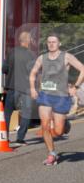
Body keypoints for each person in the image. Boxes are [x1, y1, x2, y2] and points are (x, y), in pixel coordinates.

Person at [28, 34, 84, 165]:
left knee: (58, 132)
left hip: (61, 96)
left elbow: (82, 69)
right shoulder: (42, 58)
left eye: (54, 42)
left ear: (59, 43)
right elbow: (33, 73)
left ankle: (65, 124)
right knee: (45, 125)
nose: (51, 44)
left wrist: (75, 87)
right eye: (49, 42)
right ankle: (52, 154)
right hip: (45, 95)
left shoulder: (67, 57)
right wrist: (32, 89)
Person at [4, 30, 37, 146]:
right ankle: (20, 138)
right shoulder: (31, 55)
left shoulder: (11, 52)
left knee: (7, 113)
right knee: (26, 113)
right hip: (26, 88)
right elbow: (34, 72)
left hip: (12, 86)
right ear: (28, 41)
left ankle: (4, 137)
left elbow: (4, 69)